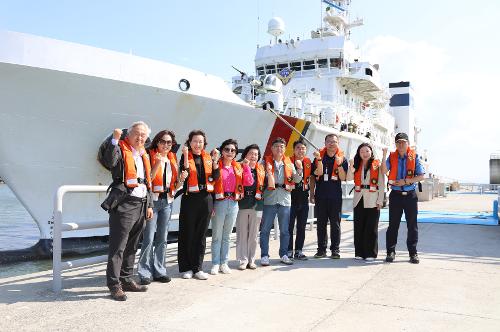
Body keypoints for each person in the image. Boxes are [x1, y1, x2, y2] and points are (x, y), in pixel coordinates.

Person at [100, 121, 154, 301]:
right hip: (124, 203)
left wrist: (150, 205)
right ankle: (114, 285)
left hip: (141, 203)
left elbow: (147, 182)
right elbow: (110, 161)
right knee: (118, 247)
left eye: (143, 135)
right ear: (128, 135)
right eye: (136, 134)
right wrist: (114, 140)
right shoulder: (121, 150)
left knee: (132, 245)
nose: (140, 138)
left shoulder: (144, 154)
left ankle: (126, 279)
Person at [138, 130, 188, 285]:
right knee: (149, 238)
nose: (166, 145)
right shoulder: (149, 156)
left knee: (162, 238)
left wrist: (181, 180)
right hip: (153, 201)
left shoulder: (172, 158)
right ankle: (144, 272)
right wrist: (158, 163)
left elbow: (176, 185)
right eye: (163, 141)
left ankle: (160, 270)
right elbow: (148, 179)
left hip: (168, 201)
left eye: (169, 142)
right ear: (157, 142)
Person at [178, 130, 220, 280]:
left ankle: (198, 268)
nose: (198, 144)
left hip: (206, 198)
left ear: (204, 143)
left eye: (200, 141)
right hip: (190, 199)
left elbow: (215, 178)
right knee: (187, 232)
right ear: (189, 142)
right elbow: (184, 174)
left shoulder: (208, 158)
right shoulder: (185, 157)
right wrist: (184, 157)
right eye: (195, 141)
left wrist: (215, 161)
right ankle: (186, 267)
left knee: (201, 235)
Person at [210, 139, 253, 275]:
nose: (230, 152)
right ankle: (215, 263)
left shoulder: (238, 167)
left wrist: (246, 167)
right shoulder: (216, 166)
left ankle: (224, 262)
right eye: (227, 149)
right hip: (220, 202)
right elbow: (211, 185)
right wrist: (211, 206)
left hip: (234, 203)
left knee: (227, 236)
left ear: (235, 153)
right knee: (217, 235)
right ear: (222, 151)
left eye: (233, 150)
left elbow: (249, 181)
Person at [381, 133, 425, 264]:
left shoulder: (414, 157)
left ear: (408, 144)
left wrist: (406, 181)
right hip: (395, 196)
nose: (401, 144)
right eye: (398, 142)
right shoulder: (391, 157)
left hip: (410, 196)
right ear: (395, 144)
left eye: (403, 142)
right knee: (393, 225)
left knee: (412, 226)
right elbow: (384, 171)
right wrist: (383, 156)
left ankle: (413, 253)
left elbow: (421, 176)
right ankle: (390, 251)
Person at [259, 138, 302, 266]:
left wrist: (299, 170)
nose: (279, 149)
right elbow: (260, 178)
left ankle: (283, 254)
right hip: (270, 199)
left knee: (285, 230)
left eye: (282, 147)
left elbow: (297, 180)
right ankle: (264, 255)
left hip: (284, 200)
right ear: (272, 148)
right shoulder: (264, 162)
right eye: (276, 146)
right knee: (265, 230)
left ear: (285, 149)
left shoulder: (289, 163)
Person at [310, 133, 348, 259]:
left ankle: (335, 250)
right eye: (329, 141)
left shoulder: (342, 159)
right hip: (321, 195)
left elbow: (343, 178)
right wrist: (311, 193)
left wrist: (340, 164)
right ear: (325, 143)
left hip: (335, 196)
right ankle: (321, 250)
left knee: (335, 224)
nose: (332, 143)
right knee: (320, 223)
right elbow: (313, 177)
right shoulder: (318, 157)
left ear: (338, 144)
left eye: (334, 141)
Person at [346, 143, 385, 262]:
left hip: (373, 199)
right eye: (362, 151)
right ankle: (359, 252)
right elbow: (348, 178)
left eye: (367, 151)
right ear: (358, 153)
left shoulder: (376, 165)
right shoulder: (356, 164)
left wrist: (380, 200)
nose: (365, 154)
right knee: (358, 227)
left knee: (371, 227)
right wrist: (351, 166)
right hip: (359, 198)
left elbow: (381, 183)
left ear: (371, 152)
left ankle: (371, 253)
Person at [287, 140, 321, 260]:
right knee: (289, 226)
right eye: (298, 148)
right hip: (290, 199)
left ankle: (299, 251)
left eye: (303, 148)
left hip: (303, 198)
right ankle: (289, 250)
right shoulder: (288, 161)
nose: (301, 150)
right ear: (294, 150)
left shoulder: (308, 162)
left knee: (302, 226)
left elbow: (312, 179)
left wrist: (312, 194)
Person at [235, 144, 264, 270]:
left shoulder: (261, 170)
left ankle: (251, 259)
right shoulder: (239, 168)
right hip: (242, 202)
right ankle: (243, 259)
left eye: (256, 154)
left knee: (253, 234)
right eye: (251, 153)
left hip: (257, 204)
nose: (254, 156)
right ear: (245, 155)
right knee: (242, 233)